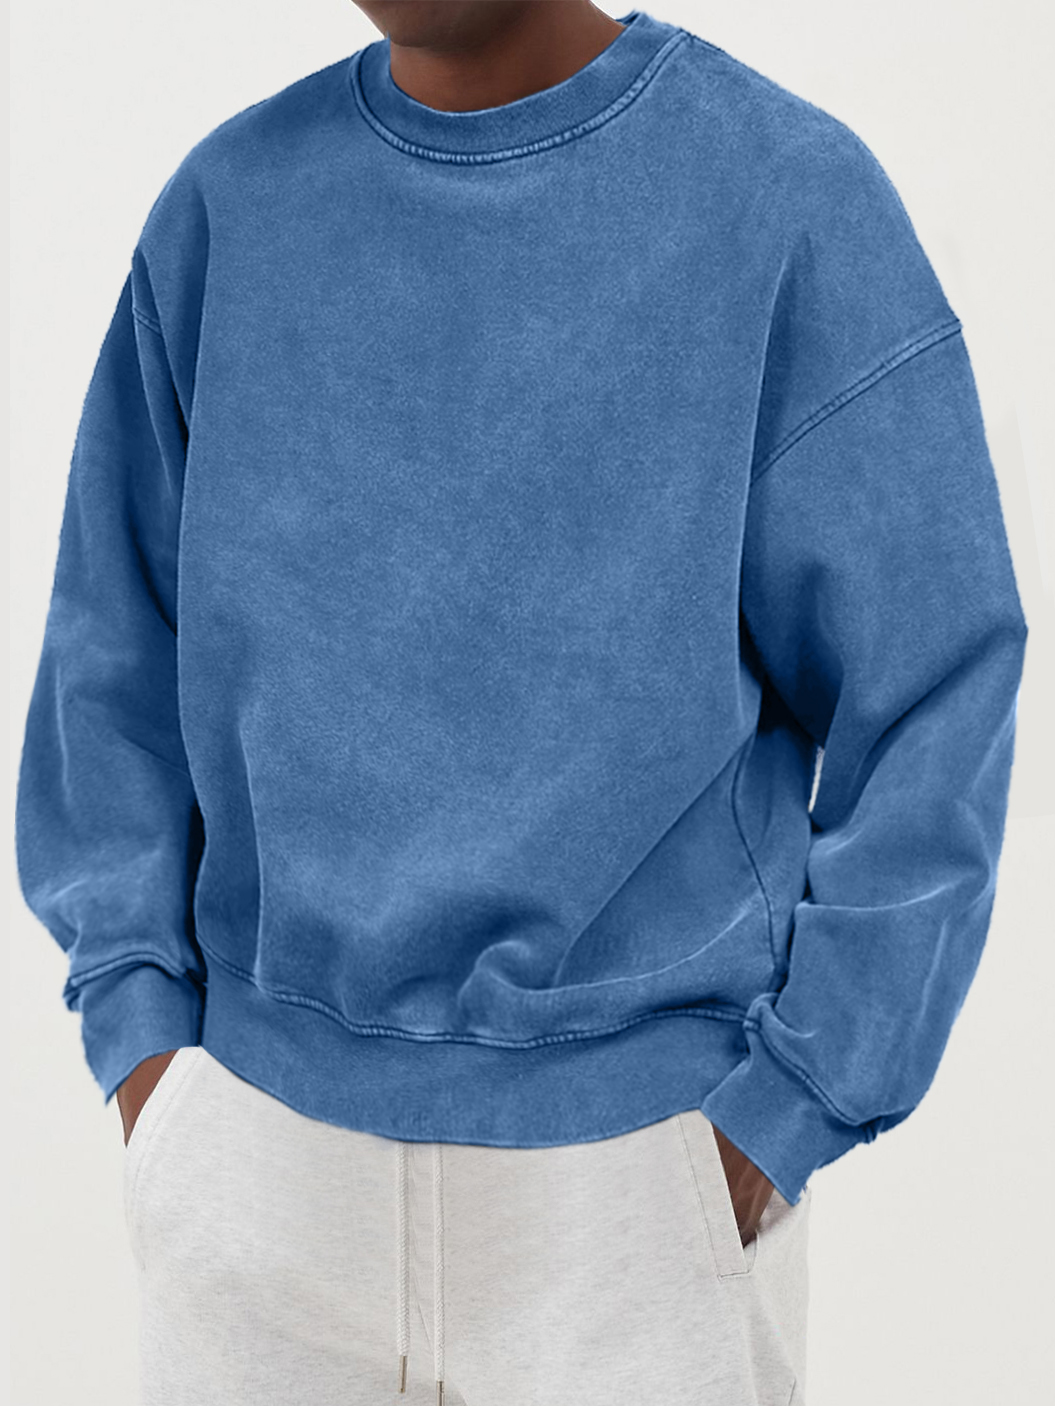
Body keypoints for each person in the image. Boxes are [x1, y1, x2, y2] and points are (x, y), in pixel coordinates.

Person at [14, 3, 1028, 1403]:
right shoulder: (227, 214)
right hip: (258, 1181)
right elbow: (109, 661)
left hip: (635, 1197)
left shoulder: (782, 203)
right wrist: (147, 1052)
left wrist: (790, 1104)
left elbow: (934, 689)